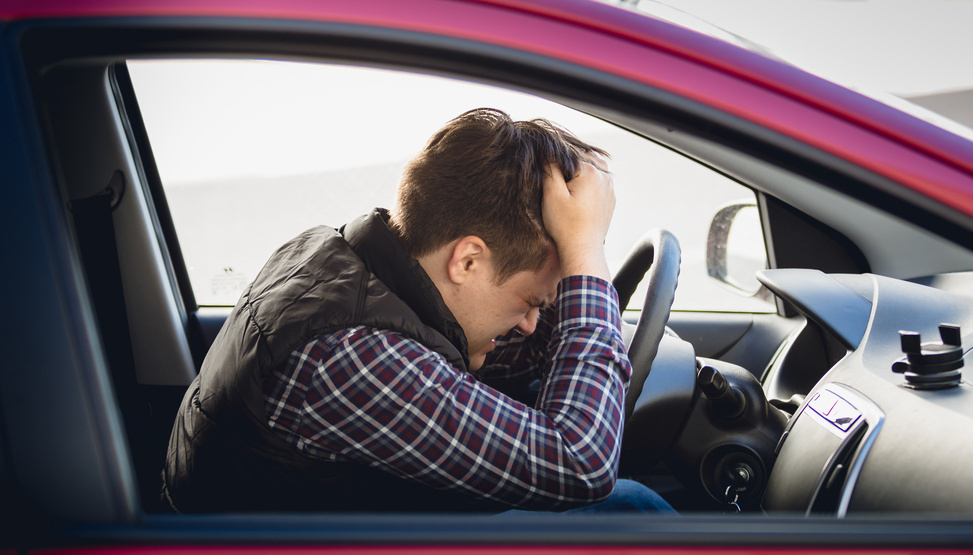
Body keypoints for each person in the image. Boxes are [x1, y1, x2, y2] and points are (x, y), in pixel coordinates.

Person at [162, 108, 671, 514]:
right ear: (467, 260)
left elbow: (512, 353)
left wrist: (571, 262)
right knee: (633, 510)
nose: (531, 323)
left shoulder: (343, 258)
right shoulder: (354, 357)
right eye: (529, 303)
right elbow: (582, 467)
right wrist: (585, 251)